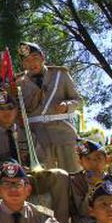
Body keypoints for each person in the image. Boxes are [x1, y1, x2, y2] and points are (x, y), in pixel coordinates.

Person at [15, 42, 82, 172]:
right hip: (38, 138)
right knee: (47, 179)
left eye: (35, 58)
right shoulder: (18, 83)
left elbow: (78, 100)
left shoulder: (60, 75)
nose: (32, 63)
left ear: (43, 57)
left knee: (73, 173)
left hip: (63, 133)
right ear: (23, 64)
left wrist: (67, 106)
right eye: (27, 60)